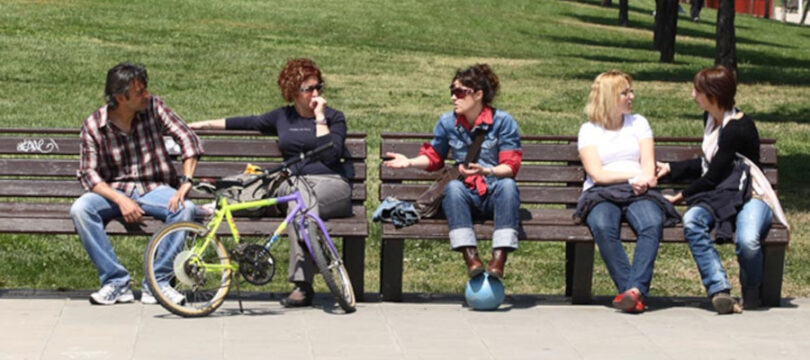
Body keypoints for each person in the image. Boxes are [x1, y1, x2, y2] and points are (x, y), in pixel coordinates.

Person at [188, 58, 352, 308]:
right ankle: (309, 275)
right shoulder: (282, 117)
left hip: (331, 185)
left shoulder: (334, 117)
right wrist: (202, 124)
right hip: (294, 185)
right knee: (299, 206)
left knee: (301, 210)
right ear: (293, 92)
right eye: (309, 89)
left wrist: (320, 118)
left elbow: (330, 154)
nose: (316, 93)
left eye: (319, 87)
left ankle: (303, 284)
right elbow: (246, 122)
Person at [656, 66, 787, 314]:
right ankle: (719, 289)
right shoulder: (711, 121)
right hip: (721, 195)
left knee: (748, 242)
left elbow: (714, 175)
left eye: (698, 90)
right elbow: (710, 163)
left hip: (751, 195)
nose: (693, 95)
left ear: (713, 95)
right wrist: (671, 168)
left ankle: (751, 293)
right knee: (693, 220)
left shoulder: (738, 128)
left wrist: (679, 196)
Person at [71, 62, 204, 305]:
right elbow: (89, 174)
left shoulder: (154, 107)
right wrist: (121, 200)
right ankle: (115, 281)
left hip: (154, 188)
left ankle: (157, 282)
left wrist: (186, 182)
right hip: (114, 189)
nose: (147, 95)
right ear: (121, 98)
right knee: (81, 209)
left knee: (186, 208)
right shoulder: (94, 126)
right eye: (140, 92)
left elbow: (188, 138)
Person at [384, 64, 522, 280]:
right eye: (452, 91)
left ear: (478, 94)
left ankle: (499, 257)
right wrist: (409, 162)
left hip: (494, 194)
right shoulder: (448, 123)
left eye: (459, 92)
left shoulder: (503, 122)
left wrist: (486, 170)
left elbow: (510, 167)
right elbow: (434, 158)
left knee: (508, 185)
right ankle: (470, 258)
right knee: (454, 187)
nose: (453, 98)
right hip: (465, 197)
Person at [575, 70, 674, 314]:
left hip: (639, 191)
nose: (632, 96)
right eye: (625, 92)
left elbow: (649, 165)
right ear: (610, 97)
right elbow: (597, 174)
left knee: (651, 222)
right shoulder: (589, 130)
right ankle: (633, 291)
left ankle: (632, 292)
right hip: (601, 193)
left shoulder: (638, 123)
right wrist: (631, 177)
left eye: (631, 91)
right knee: (602, 225)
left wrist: (642, 179)